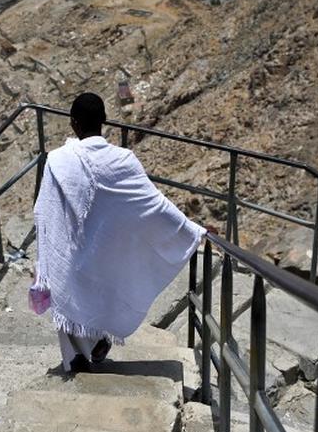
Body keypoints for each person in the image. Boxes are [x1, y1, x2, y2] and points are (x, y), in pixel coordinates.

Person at [32, 92, 206, 373]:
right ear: (103, 122)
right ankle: (99, 339)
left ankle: (78, 356)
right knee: (101, 279)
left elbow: (44, 211)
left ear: (73, 123)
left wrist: (45, 257)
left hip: (72, 256)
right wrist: (188, 230)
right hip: (105, 252)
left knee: (69, 277)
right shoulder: (123, 159)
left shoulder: (58, 160)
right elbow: (152, 204)